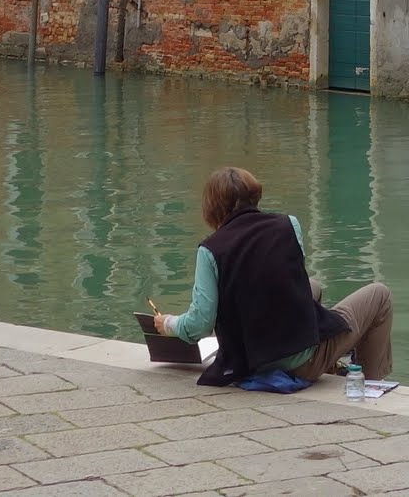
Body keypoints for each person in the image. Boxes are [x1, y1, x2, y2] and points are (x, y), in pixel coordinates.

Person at [154, 166, 393, 388]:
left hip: (247, 361)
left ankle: (332, 367)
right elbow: (286, 278)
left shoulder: (209, 250)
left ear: (211, 208)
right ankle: (370, 384)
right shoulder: (289, 225)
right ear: (254, 196)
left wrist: (168, 323)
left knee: (313, 286)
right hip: (299, 362)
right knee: (380, 295)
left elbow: (199, 323)